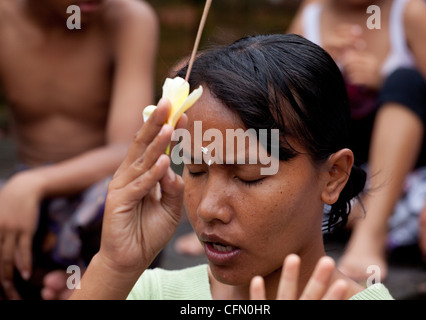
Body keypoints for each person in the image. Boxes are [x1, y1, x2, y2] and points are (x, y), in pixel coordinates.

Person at [70, 34, 393, 300]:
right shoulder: (146, 292)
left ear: (333, 175)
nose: (209, 208)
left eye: (248, 176)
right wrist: (114, 266)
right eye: (195, 170)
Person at [0, 0, 158, 299]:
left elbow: (130, 148)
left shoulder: (127, 19)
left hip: (99, 194)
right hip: (26, 200)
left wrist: (36, 183)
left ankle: (89, 281)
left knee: (135, 200)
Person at [288, 0, 426, 281]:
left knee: (404, 81)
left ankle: (370, 232)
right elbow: (276, 95)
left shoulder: (409, 11)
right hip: (351, 162)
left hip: (415, 156)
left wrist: (382, 80)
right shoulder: (310, 18)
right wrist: (317, 67)